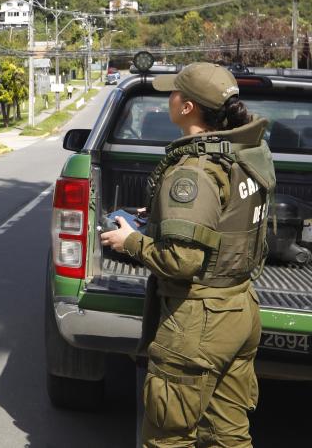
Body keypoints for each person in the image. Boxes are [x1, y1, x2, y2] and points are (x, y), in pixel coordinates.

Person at [100, 63, 275, 447]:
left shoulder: (193, 171)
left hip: (199, 320)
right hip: (239, 307)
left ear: (187, 107)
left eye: (174, 93)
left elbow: (183, 260)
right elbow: (224, 221)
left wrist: (130, 241)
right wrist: (161, 219)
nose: (170, 98)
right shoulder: (243, 154)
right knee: (228, 436)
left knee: (169, 437)